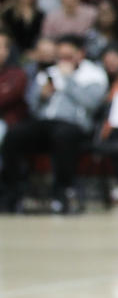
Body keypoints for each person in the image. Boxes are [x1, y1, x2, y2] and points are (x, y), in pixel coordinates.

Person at [0, 34, 107, 213]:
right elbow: (32, 106)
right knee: (15, 134)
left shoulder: (94, 74)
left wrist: (69, 80)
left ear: (80, 54)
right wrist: (41, 96)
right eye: (60, 56)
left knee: (63, 136)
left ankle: (63, 191)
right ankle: (12, 190)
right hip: (44, 122)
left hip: (74, 124)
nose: (63, 61)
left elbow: (92, 104)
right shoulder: (49, 72)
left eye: (68, 56)